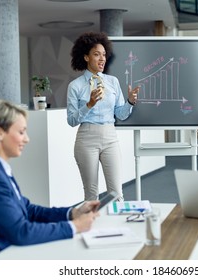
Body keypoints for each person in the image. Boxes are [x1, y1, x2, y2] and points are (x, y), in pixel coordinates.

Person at [0, 99, 100, 260]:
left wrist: (72, 213)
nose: (26, 139)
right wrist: (75, 226)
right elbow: (20, 232)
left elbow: (28, 210)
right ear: (0, 133)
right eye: (21, 132)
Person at [67, 31, 140, 201]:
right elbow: (71, 120)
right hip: (86, 139)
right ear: (86, 57)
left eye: (104, 55)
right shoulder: (75, 86)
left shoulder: (112, 81)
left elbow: (120, 115)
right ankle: (93, 227)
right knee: (91, 195)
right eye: (96, 54)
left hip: (110, 137)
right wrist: (89, 105)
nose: (102, 59)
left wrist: (129, 102)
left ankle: (118, 227)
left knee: (117, 193)